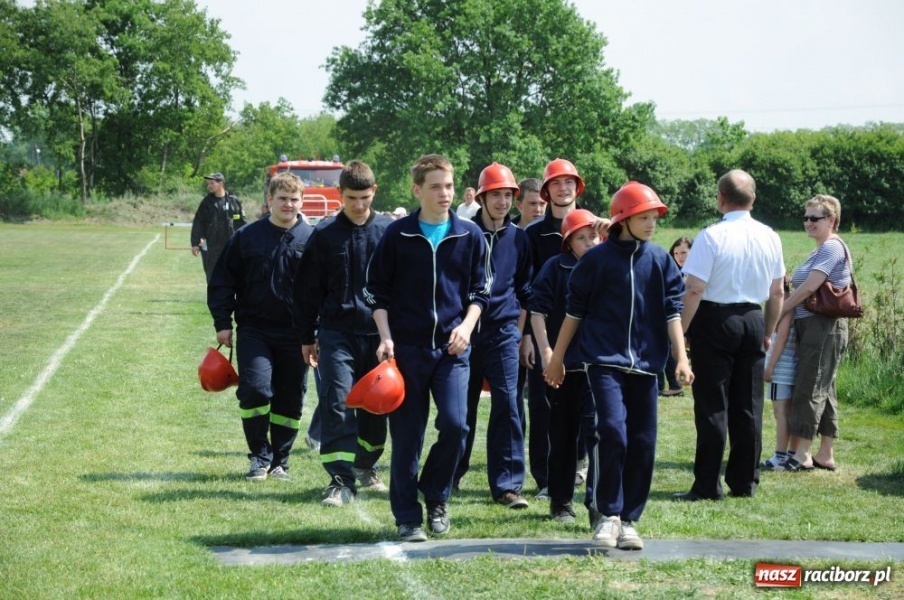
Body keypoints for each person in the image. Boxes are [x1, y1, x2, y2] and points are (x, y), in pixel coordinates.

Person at [545, 182, 692, 550]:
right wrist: (558, 357)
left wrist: (682, 357)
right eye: (644, 217)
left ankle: (629, 521)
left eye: (654, 218)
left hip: (646, 366)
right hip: (603, 363)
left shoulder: (660, 260)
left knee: (643, 442)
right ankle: (607, 514)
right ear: (623, 219)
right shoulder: (595, 260)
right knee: (612, 431)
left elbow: (672, 311)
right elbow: (573, 313)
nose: (651, 224)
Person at [364, 154, 489, 542]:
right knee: (407, 438)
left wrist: (467, 328)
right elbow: (376, 292)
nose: (445, 193)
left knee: (456, 425)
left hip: (453, 351)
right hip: (406, 353)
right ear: (417, 190)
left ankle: (436, 495)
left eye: (449, 186)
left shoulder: (470, 235)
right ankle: (407, 518)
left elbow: (480, 292)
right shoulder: (397, 234)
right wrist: (386, 337)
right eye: (436, 186)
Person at [675, 169, 785, 501]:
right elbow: (777, 291)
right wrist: (767, 332)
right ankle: (744, 481)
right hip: (753, 316)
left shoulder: (711, 236)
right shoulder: (770, 236)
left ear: (720, 199)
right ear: (752, 198)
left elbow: (693, 289)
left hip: (715, 318)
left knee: (712, 404)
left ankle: (708, 484)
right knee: (748, 405)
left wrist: (679, 332)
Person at [298, 160, 394, 506]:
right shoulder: (323, 235)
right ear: (340, 194)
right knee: (337, 401)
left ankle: (366, 466)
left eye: (365, 197)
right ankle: (340, 479)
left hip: (377, 335)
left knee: (375, 408)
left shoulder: (388, 232)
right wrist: (307, 337)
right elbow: (307, 292)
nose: (358, 205)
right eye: (351, 197)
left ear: (374, 192)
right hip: (336, 333)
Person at [207, 171, 313, 481]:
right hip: (255, 330)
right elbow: (223, 281)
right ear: (269, 200)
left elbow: (323, 289)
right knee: (254, 390)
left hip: (297, 334)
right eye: (282, 198)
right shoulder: (246, 237)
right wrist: (222, 322)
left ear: (301, 201)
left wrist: (317, 330)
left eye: (294, 199)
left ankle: (281, 459)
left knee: (290, 397)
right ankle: (259, 456)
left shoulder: (312, 240)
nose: (288, 204)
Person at [523, 158, 606, 497]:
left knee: (593, 416)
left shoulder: (599, 235)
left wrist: (606, 227)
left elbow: (631, 237)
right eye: (556, 182)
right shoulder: (532, 235)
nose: (564, 187)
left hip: (591, 347)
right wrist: (530, 338)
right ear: (546, 190)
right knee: (546, 412)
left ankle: (582, 471)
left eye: (569, 181)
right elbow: (529, 294)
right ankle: (548, 481)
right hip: (549, 338)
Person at [453, 162, 533, 509]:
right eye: (496, 195)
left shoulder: (519, 238)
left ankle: (507, 486)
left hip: (503, 332)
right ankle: (450, 475)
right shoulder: (461, 234)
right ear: (481, 198)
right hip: (465, 334)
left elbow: (525, 289)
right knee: (460, 409)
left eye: (507, 195)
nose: (502, 202)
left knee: (508, 406)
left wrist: (520, 333)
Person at [529, 209, 600, 524]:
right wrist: (547, 352)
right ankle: (560, 502)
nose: (588, 243)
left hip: (599, 366)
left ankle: (599, 502)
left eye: (593, 236)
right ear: (568, 242)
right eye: (580, 238)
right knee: (562, 435)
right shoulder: (555, 267)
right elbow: (537, 311)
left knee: (599, 433)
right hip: (564, 366)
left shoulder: (608, 265)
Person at [778, 195, 852, 472]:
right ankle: (825, 453)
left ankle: (802, 454)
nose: (808, 223)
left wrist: (780, 311)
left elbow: (809, 288)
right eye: (806, 217)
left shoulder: (831, 247)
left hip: (824, 326)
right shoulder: (819, 249)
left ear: (831, 220)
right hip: (816, 326)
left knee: (810, 386)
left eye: (815, 218)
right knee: (825, 387)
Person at [761, 276, 797, 470]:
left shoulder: (785, 303)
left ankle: (780, 456)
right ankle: (790, 453)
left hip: (782, 367)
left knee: (780, 413)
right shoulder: (792, 301)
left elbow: (781, 336)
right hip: (789, 366)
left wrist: (770, 367)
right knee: (788, 412)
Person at [191, 173, 247, 282]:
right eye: (208, 184)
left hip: (231, 245)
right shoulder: (206, 202)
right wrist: (195, 243)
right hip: (211, 247)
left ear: (220, 183)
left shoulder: (233, 201)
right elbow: (198, 222)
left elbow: (242, 223)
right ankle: (214, 298)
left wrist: (245, 242)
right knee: (212, 277)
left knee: (232, 276)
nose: (209, 186)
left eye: (212, 183)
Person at [658, 236, 693, 397]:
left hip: (691, 319)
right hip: (676, 317)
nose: (680, 257)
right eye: (676, 253)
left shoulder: (694, 274)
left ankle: (674, 384)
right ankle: (668, 384)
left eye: (684, 253)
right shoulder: (673, 272)